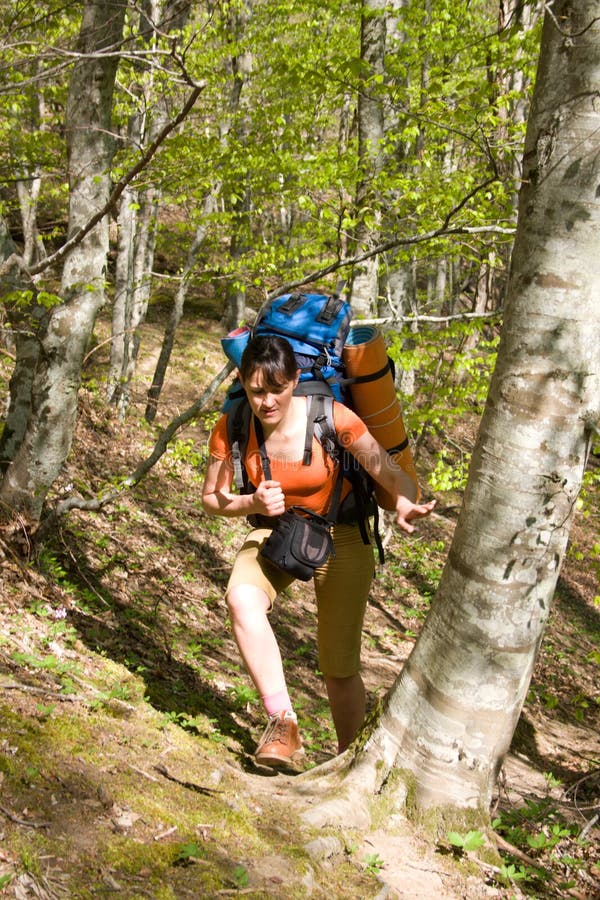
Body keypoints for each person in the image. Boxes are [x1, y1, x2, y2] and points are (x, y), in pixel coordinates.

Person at [202, 334, 435, 767]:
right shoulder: (233, 422)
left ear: (294, 380)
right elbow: (212, 498)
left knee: (338, 667)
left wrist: (403, 500)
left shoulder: (332, 416)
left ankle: (349, 763)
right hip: (276, 531)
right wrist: (250, 503)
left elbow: (387, 469)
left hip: (342, 533)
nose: (266, 401)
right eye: (255, 391)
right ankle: (282, 723)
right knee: (241, 598)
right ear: (242, 383)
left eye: (277, 389)